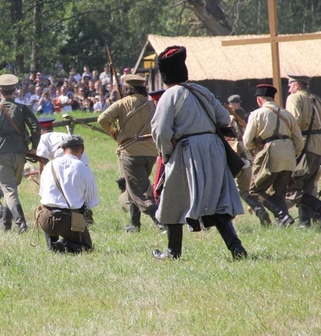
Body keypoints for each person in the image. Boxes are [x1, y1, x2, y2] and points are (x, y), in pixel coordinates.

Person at [150, 46, 247, 260]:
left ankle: (173, 251)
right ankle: (236, 248)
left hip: (186, 150)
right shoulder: (202, 91)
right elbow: (223, 118)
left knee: (172, 199)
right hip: (214, 148)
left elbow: (161, 131)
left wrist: (167, 154)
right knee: (218, 200)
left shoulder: (170, 95)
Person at [97, 74, 161, 233]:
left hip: (131, 153)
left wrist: (113, 132)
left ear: (127, 89)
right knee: (133, 186)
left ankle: (161, 222)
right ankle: (135, 224)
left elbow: (102, 119)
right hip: (150, 152)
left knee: (139, 191)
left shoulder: (122, 103)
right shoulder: (152, 105)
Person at [0, 74, 41, 234]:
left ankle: (21, 222)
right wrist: (34, 147)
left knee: (8, 189)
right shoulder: (23, 108)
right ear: (14, 90)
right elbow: (36, 128)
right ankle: (5, 223)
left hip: (1, 153)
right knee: (12, 188)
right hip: (20, 153)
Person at [242, 84, 304, 227]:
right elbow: (299, 142)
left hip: (270, 152)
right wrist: (292, 154)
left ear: (259, 100)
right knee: (279, 193)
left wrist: (256, 148)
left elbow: (246, 141)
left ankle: (282, 215)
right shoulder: (287, 114)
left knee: (255, 190)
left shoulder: (257, 114)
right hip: (289, 154)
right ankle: (285, 222)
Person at [285, 74, 321, 229]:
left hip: (301, 148)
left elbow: (294, 122)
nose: (288, 88)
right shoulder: (316, 101)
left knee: (292, 188)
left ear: (296, 85)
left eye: (290, 85)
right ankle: (305, 224)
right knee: (308, 187)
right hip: (316, 149)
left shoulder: (294, 98)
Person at [36, 135, 98, 253]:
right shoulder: (84, 169)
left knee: (46, 209)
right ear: (82, 150)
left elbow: (42, 194)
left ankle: (52, 246)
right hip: (69, 220)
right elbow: (91, 201)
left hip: (46, 219)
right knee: (87, 249)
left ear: (63, 149)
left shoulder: (49, 165)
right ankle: (64, 244)